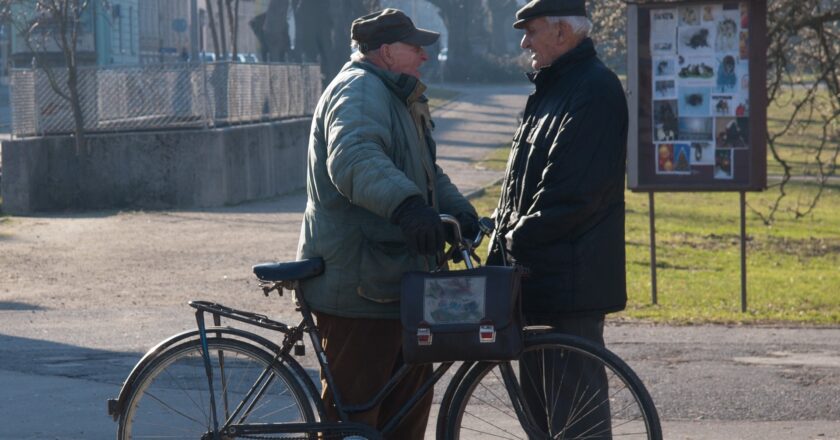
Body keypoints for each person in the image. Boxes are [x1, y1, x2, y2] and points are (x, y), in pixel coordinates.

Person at [295, 8, 478, 439]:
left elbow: (425, 174)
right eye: (416, 47)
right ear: (386, 51)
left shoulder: (398, 95)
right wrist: (409, 209)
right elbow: (355, 159)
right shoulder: (359, 91)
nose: (424, 57)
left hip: (398, 285)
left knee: (405, 416)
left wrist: (460, 213)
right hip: (361, 290)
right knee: (355, 422)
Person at [489, 0, 628, 436]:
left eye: (531, 31)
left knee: (576, 424)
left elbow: (571, 196)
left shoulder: (594, 90)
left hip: (568, 285)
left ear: (563, 33)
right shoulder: (553, 89)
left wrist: (511, 238)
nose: (524, 41)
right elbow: (522, 185)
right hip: (538, 282)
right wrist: (496, 229)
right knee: (545, 422)